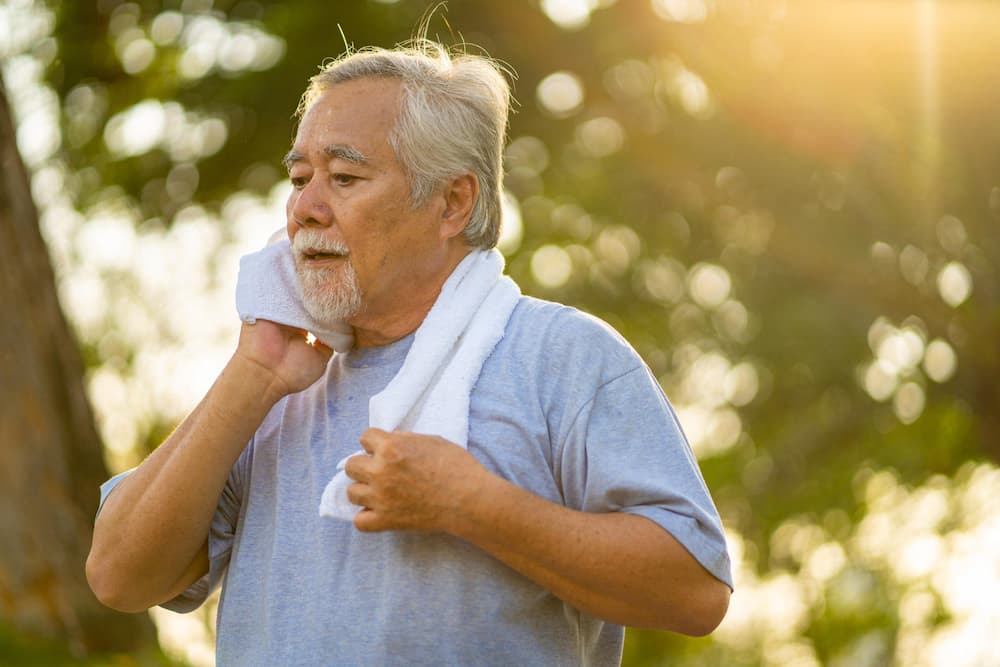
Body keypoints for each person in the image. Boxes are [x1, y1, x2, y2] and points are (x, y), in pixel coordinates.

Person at [87, 41, 733, 666]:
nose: (305, 209)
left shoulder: (561, 356)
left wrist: (471, 505)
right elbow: (117, 575)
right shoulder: (274, 383)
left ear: (453, 202)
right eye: (299, 177)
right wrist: (251, 370)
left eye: (344, 177)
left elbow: (696, 586)